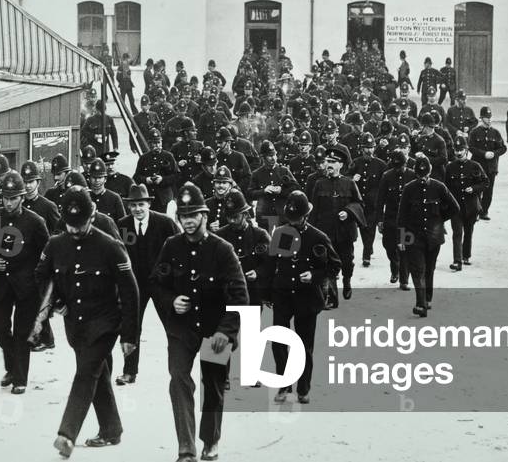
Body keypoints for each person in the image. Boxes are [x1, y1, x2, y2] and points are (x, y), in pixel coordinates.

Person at [35, 186, 139, 457]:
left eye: (80, 225)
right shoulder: (56, 245)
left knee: (85, 373)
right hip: (76, 325)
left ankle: (67, 434)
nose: (75, 230)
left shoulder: (110, 246)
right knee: (97, 372)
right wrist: (56, 305)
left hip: (105, 323)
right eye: (70, 225)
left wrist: (130, 336)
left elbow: (130, 292)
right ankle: (111, 429)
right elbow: (41, 277)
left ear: (92, 217)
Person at [151, 183, 249, 462]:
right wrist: (171, 300)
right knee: (178, 380)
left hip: (215, 331)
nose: (189, 221)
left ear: (205, 216)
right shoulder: (171, 247)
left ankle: (210, 441)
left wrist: (225, 331)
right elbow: (156, 283)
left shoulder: (223, 250)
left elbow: (240, 295)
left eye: (194, 215)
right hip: (182, 331)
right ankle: (186, 448)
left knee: (213, 386)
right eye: (184, 216)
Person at [260, 191, 341, 405]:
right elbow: (270, 265)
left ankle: (304, 388)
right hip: (283, 295)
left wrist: (314, 275)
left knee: (304, 346)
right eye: (290, 219)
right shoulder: (280, 234)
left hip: (307, 298)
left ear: (305, 216)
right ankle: (284, 385)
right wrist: (266, 293)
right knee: (279, 343)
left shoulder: (318, 237)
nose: (293, 223)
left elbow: (334, 266)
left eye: (296, 220)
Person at [0, 171, 49, 394]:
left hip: (27, 288)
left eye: (13, 198)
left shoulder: (35, 222)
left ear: (22, 197)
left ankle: (20, 379)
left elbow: (47, 253)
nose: (9, 202)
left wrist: (39, 280)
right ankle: (13, 366)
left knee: (22, 332)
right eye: (6, 197)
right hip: (2, 284)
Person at [114, 183, 180, 385]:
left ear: (148, 204)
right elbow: (118, 253)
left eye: (141, 204)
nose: (137, 209)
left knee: (172, 326)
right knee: (131, 326)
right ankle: (129, 371)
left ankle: (177, 371)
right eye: (133, 205)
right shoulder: (123, 225)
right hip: (135, 285)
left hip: (161, 284)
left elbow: (178, 248)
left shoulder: (164, 223)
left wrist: (172, 276)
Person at [397, 156, 459, 317]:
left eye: (425, 176)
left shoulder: (439, 187)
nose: (423, 179)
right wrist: (402, 239)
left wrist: (439, 219)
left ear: (430, 173)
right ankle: (421, 304)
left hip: (434, 236)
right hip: (413, 235)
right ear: (416, 174)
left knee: (429, 269)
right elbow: (402, 215)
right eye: (419, 176)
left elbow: (454, 207)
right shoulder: (409, 188)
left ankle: (428, 298)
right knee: (418, 270)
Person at [308, 147, 365, 304]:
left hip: (345, 231)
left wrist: (348, 212)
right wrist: (310, 233)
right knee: (328, 264)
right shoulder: (319, 184)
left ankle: (347, 281)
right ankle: (332, 297)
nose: (329, 164)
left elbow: (359, 204)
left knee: (347, 261)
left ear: (341, 165)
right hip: (325, 232)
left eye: (333, 162)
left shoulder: (349, 183)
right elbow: (314, 210)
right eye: (327, 161)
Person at [21, 160, 60, 352]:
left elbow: (58, 231)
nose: (28, 186)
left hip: (42, 261)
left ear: (38, 182)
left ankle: (47, 338)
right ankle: (34, 335)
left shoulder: (48, 206)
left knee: (40, 300)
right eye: (25, 181)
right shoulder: (19, 205)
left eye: (31, 181)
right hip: (23, 262)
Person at [444, 137, 488, 271]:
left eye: (461, 150)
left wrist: (474, 189)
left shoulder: (475, 166)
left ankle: (466, 255)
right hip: (456, 207)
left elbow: (485, 182)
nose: (458, 153)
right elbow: (445, 187)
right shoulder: (450, 167)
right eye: (456, 150)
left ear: (466, 150)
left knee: (468, 231)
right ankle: (457, 261)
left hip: (471, 207)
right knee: (457, 233)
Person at [378, 139, 414, 290]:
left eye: (401, 166)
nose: (399, 169)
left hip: (406, 219)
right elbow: (380, 199)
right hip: (391, 218)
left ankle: (404, 279)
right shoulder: (387, 176)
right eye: (396, 166)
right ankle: (395, 267)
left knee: (405, 248)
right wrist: (379, 220)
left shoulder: (412, 175)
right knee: (389, 246)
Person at [350, 132, 386, 267]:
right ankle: (368, 247)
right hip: (359, 203)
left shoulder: (381, 165)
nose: (369, 150)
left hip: (373, 203)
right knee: (363, 228)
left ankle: (366, 256)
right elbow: (346, 177)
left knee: (370, 228)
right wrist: (353, 179)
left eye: (371, 147)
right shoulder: (356, 163)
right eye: (366, 147)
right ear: (361, 148)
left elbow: (385, 184)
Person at [248, 140, 297, 232]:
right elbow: (250, 193)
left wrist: (281, 191)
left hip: (282, 215)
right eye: (270, 156)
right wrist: (264, 191)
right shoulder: (256, 174)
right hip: (264, 216)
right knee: (266, 243)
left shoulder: (284, 171)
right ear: (263, 157)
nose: (273, 158)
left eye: (274, 155)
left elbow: (295, 188)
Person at [468, 106, 507, 220]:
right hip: (478, 166)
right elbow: (471, 147)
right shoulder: (475, 132)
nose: (489, 119)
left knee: (488, 191)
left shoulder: (495, 133)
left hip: (491, 167)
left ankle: (484, 211)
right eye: (486, 117)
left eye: (490, 117)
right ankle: (476, 211)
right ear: (481, 118)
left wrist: (494, 154)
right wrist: (483, 153)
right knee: (477, 190)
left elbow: (503, 148)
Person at [133, 128, 179, 213]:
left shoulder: (168, 156)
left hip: (165, 200)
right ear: (149, 144)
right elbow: (136, 177)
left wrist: (163, 180)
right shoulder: (143, 158)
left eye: (159, 142)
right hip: (149, 198)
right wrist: (146, 180)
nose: (157, 145)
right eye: (154, 143)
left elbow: (177, 176)